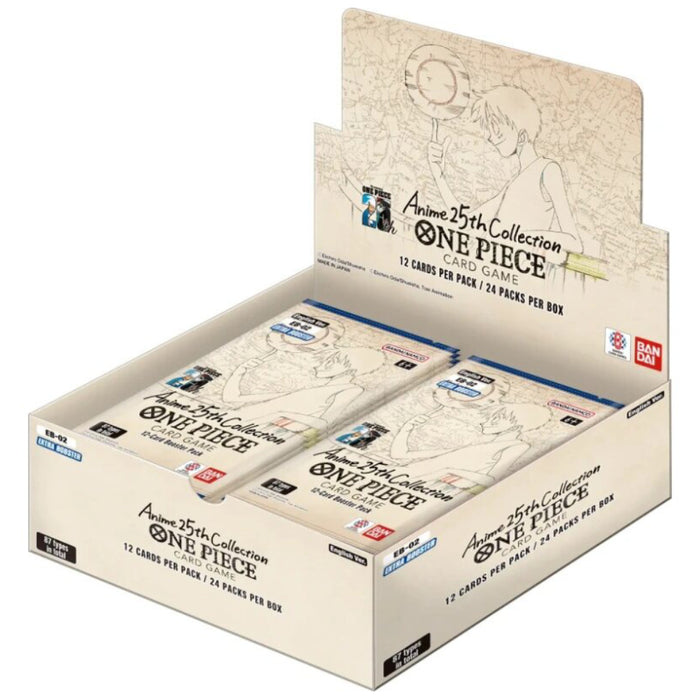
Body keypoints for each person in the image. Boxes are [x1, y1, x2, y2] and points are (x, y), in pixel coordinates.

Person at [428, 85, 583, 264]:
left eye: (496, 128)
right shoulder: (512, 186)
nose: (490, 136)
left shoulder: (547, 170)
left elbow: (574, 243)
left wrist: (521, 237)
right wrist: (438, 175)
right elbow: (466, 221)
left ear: (522, 136)